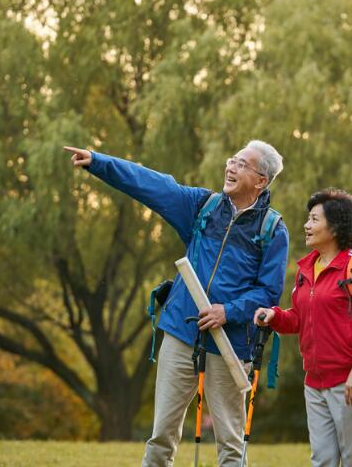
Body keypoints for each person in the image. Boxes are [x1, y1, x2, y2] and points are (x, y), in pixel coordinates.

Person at [63, 141, 289, 467]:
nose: (231, 167)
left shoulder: (273, 229)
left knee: (230, 443)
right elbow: (153, 185)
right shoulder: (203, 206)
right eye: (232, 160)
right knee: (161, 436)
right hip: (182, 333)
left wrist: (228, 311)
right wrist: (99, 162)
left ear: (261, 181)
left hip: (231, 344)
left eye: (242, 164)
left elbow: (268, 292)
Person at [254, 189, 352, 467]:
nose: (306, 226)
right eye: (307, 219)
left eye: (313, 219)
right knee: (322, 460)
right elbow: (299, 320)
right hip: (314, 381)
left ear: (334, 227)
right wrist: (273, 316)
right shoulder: (306, 270)